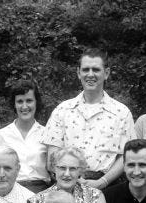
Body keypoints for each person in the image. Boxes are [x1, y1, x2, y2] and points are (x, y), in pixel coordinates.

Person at [42, 48, 135, 189]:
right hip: (67, 187)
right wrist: (71, 179)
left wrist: (102, 182)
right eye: (86, 70)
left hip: (108, 187)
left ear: (107, 73)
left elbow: (126, 156)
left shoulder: (121, 113)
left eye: (96, 70)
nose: (90, 74)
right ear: (78, 73)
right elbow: (52, 157)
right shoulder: (62, 110)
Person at [0, 79, 50, 193]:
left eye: (29, 100)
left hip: (42, 193)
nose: (24, 106)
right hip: (11, 192)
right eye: (20, 101)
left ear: (36, 102)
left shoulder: (47, 134)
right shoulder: (2, 135)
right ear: (14, 104)